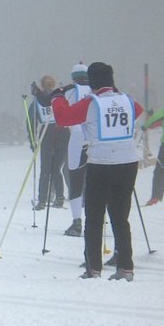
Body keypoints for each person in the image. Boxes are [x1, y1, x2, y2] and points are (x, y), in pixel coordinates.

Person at [51, 62, 144, 280]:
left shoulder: (91, 103)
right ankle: (125, 267)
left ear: (91, 82)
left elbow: (63, 118)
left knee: (94, 217)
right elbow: (138, 111)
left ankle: (93, 268)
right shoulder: (127, 100)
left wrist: (57, 97)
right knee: (120, 217)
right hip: (128, 162)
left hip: (101, 163)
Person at [28, 75, 69, 210]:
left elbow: (31, 121)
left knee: (45, 169)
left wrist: (32, 140)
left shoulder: (37, 100)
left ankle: (42, 200)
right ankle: (59, 197)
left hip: (47, 133)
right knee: (56, 169)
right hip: (62, 132)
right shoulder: (60, 97)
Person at [62, 64, 91, 237]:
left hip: (77, 138)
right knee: (96, 181)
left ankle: (76, 221)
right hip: (95, 140)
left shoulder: (69, 91)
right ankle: (97, 218)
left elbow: (61, 116)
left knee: (76, 181)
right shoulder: (96, 90)